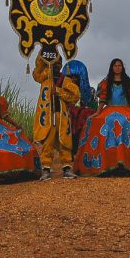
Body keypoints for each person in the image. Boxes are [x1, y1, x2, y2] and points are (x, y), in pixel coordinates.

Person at [74, 58, 130, 176]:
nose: (117, 68)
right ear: (112, 68)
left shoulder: (129, 83)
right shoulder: (105, 83)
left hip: (127, 110)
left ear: (122, 68)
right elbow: (102, 100)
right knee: (102, 121)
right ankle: (107, 162)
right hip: (110, 109)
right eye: (115, 66)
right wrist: (97, 112)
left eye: (119, 66)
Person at [32, 45, 81, 180]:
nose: (57, 65)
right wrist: (43, 54)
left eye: (59, 63)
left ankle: (67, 168)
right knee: (48, 142)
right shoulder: (44, 77)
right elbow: (36, 72)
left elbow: (75, 96)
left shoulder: (65, 80)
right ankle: (46, 169)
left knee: (65, 142)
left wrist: (59, 91)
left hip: (61, 116)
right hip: (47, 116)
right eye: (55, 62)